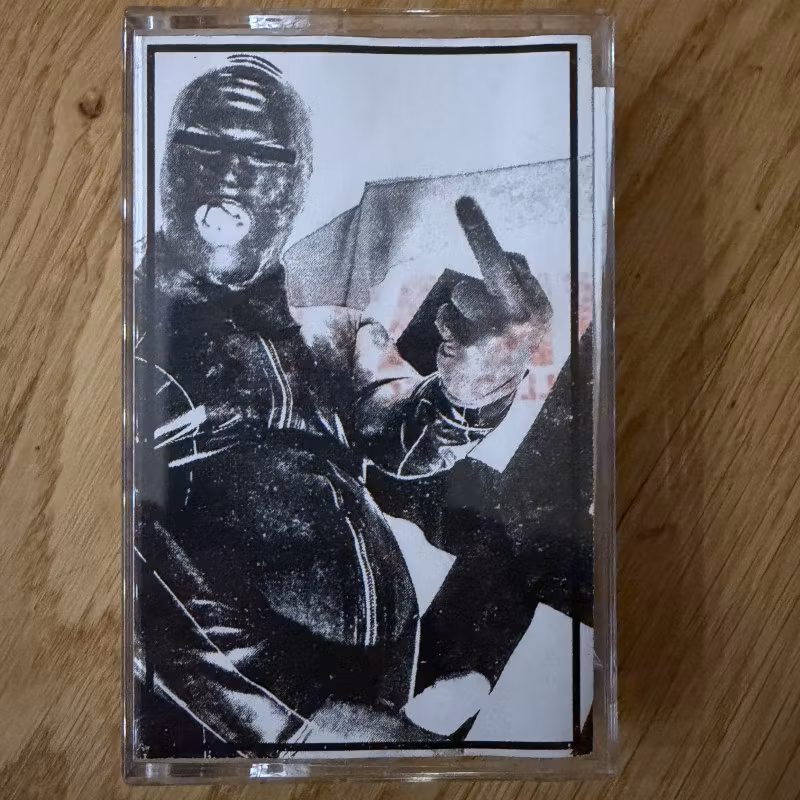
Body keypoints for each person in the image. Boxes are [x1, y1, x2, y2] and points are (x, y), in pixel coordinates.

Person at [134, 55, 552, 755]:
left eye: (263, 155)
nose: (231, 173)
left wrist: (478, 381)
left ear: (294, 187)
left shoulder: (335, 332)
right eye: (204, 144)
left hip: (379, 686)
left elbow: (405, 440)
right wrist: (292, 716)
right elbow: (125, 548)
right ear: (168, 165)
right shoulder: (124, 339)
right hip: (229, 729)